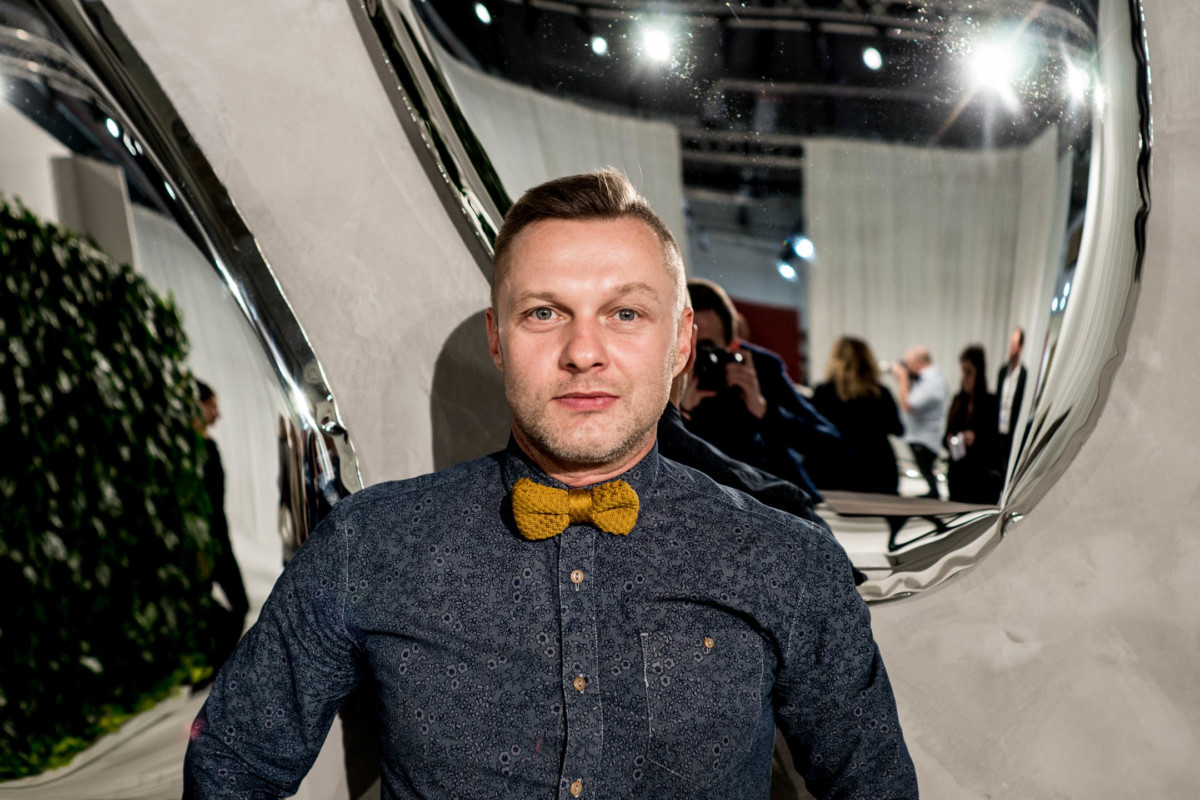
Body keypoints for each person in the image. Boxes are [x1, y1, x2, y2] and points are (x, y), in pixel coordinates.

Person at [183, 170, 916, 799]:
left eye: (625, 313)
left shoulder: (787, 560)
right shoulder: (367, 544)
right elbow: (230, 763)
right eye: (543, 313)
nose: (583, 352)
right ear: (498, 340)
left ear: (681, 342)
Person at [679, 278, 845, 500]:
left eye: (707, 347)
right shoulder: (665, 375)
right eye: (690, 346)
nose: (697, 357)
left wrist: (764, 411)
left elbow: (832, 444)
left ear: (731, 344)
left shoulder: (760, 368)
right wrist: (680, 415)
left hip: (778, 499)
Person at [194, 381, 250, 667]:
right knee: (216, 605)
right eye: (212, 406)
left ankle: (215, 665)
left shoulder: (209, 447)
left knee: (239, 606)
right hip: (205, 542)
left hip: (218, 538)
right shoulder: (193, 452)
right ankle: (212, 664)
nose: (217, 413)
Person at [811, 337, 904, 495]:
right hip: (877, 469)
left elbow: (813, 430)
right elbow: (898, 429)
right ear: (868, 361)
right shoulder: (880, 393)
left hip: (833, 469)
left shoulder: (823, 391)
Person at [944, 345, 1002, 504]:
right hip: (957, 478)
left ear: (979, 372)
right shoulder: (958, 401)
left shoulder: (990, 402)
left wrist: (975, 439)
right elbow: (945, 438)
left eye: (968, 372)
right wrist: (953, 439)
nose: (964, 377)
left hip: (980, 480)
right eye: (963, 371)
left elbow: (995, 443)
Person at [891, 346, 948, 499]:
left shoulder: (932, 381)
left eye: (909, 363)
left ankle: (933, 498)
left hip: (924, 438)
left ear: (919, 362)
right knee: (926, 473)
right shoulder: (926, 379)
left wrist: (902, 378)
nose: (907, 367)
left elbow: (908, 405)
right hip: (920, 435)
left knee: (928, 473)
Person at [996, 326, 1027, 477]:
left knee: (1008, 466)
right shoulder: (1003, 371)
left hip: (1011, 429)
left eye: (1014, 344)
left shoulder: (1023, 374)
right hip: (998, 428)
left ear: (1020, 348)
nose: (1011, 347)